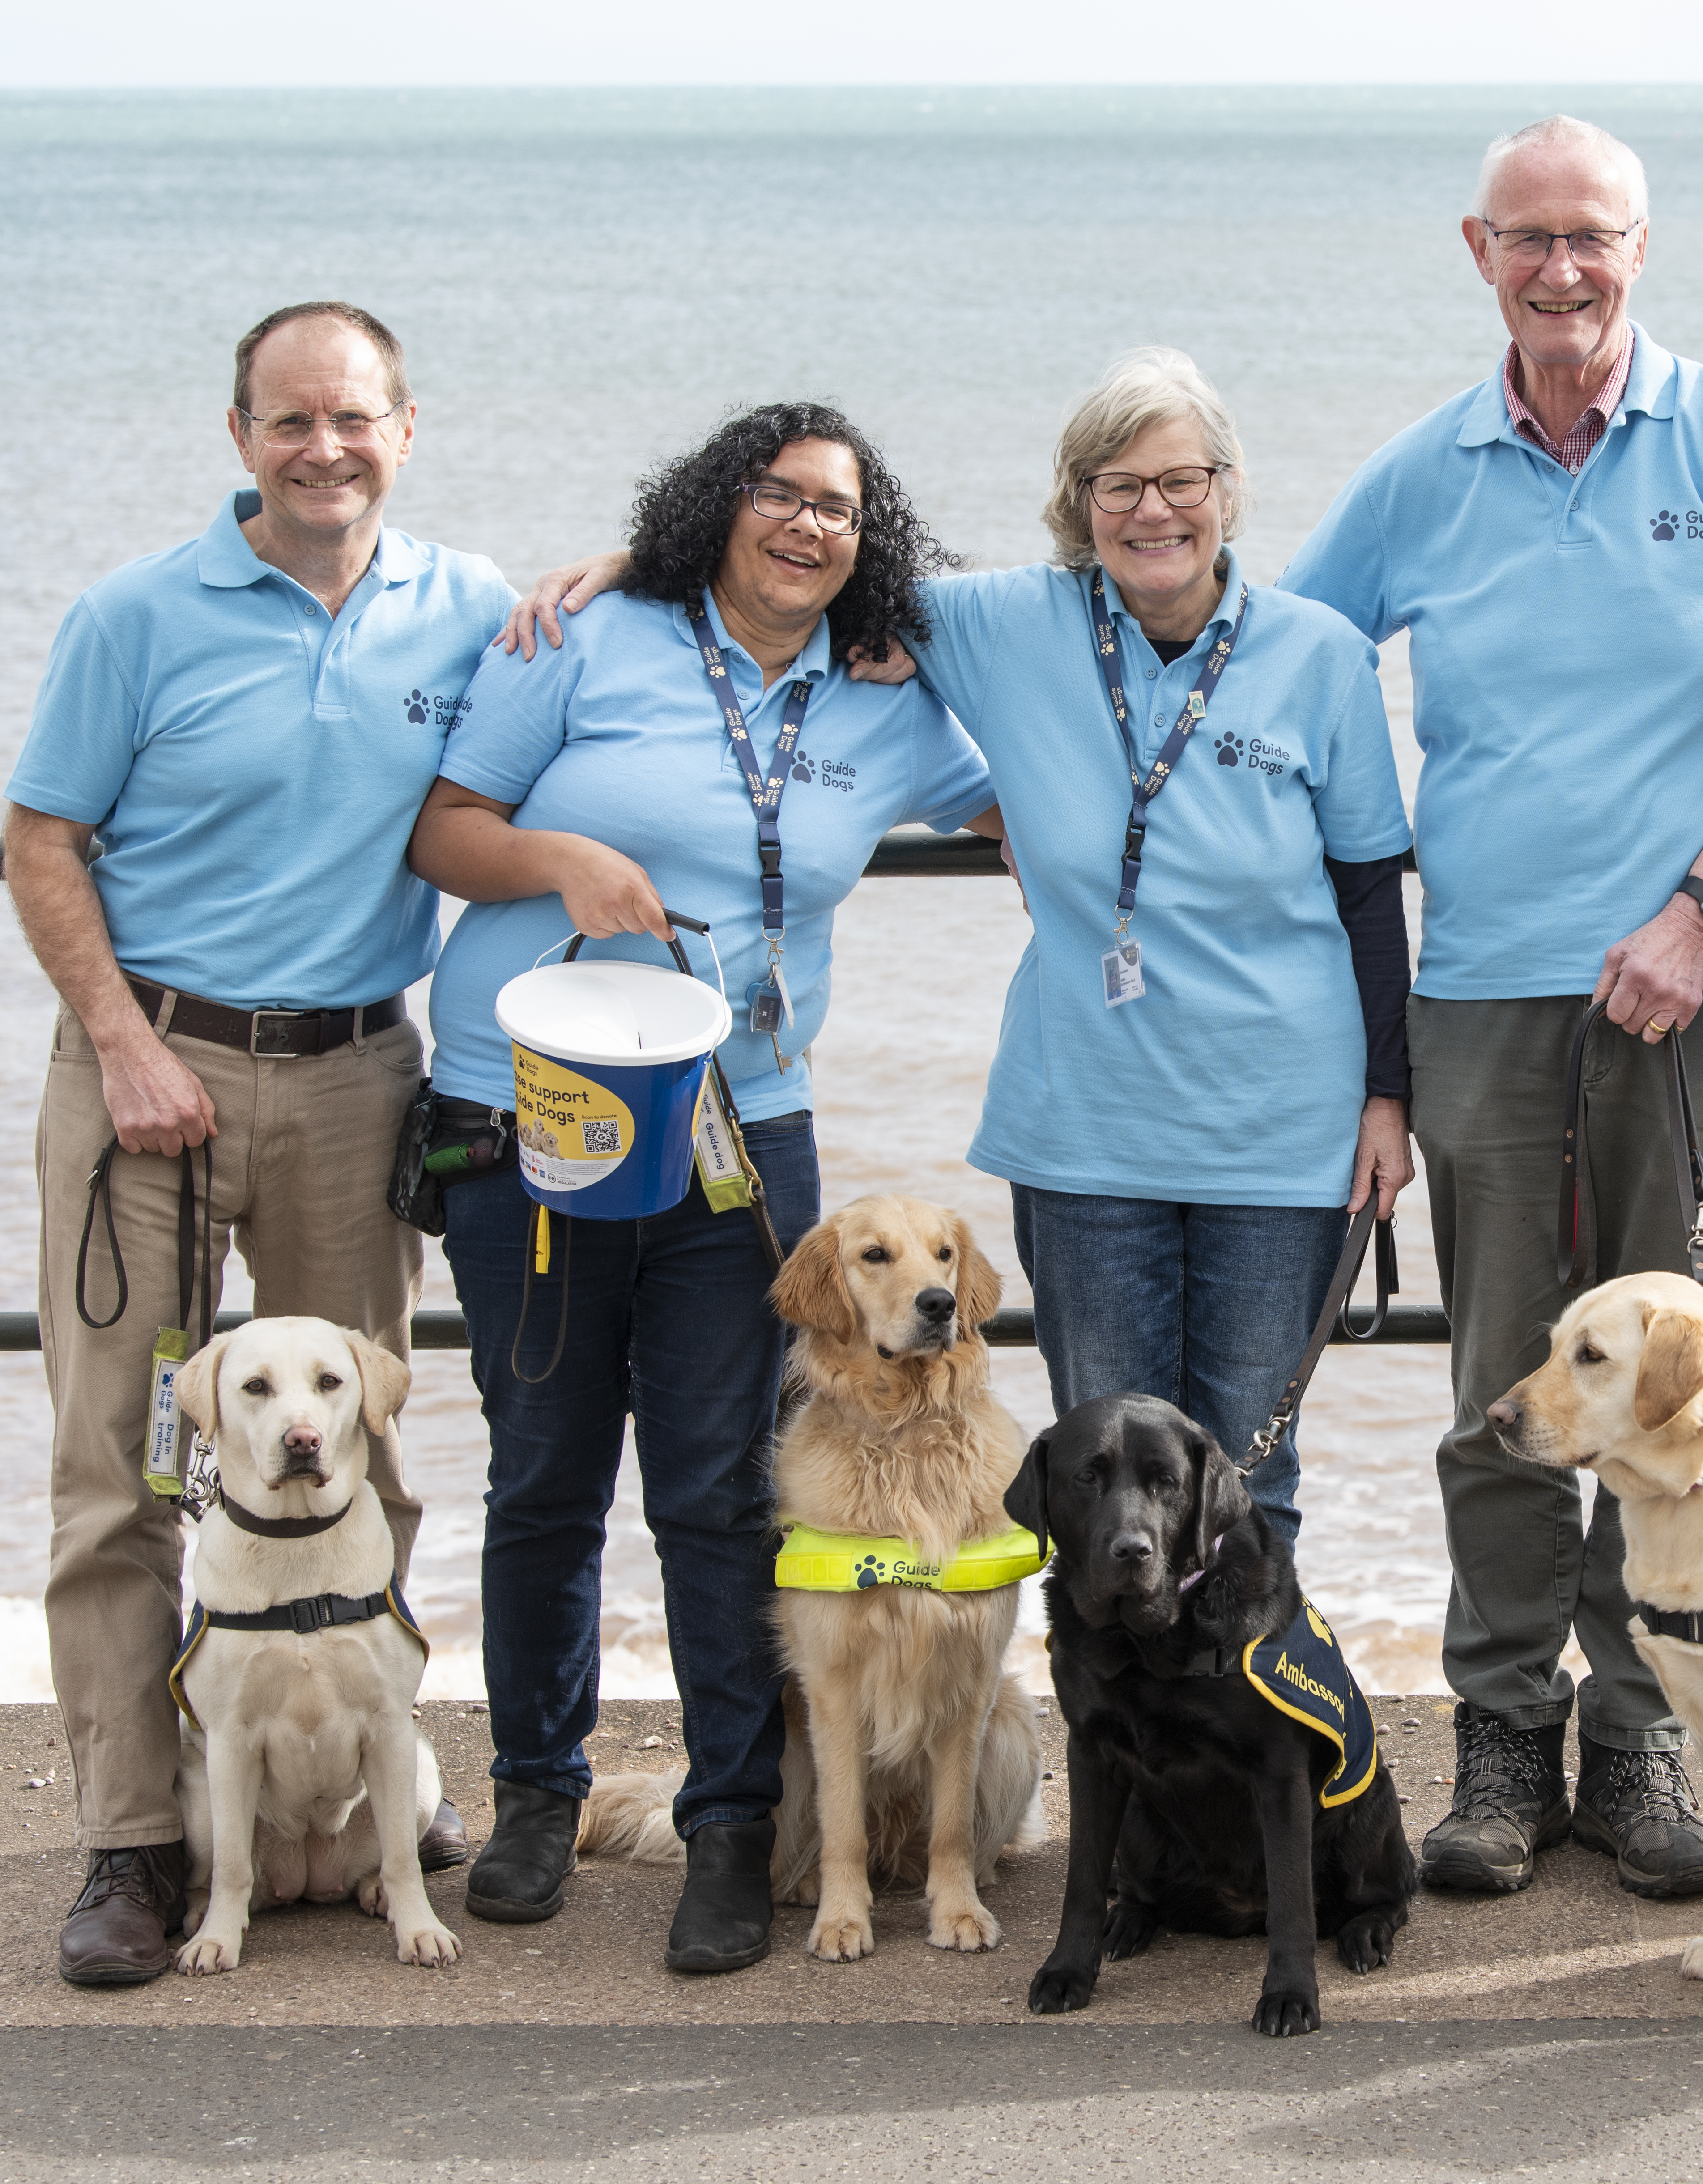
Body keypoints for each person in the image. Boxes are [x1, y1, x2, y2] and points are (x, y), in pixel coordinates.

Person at [503, 350, 1413, 1550]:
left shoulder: (1320, 655)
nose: (1152, 509)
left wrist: (1389, 1096)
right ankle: (1116, 1745)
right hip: (1086, 1131)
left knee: (1248, 1464)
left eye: (1180, 479)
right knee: (1103, 1463)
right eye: (1116, 482)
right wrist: (632, 561)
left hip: (1283, 1130)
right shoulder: (1006, 621)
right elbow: (808, 568)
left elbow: (1366, 896)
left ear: (1228, 491)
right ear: (1077, 502)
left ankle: (1253, 1728)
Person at [1278, 116, 1703, 1901]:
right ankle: (1507, 1736)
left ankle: (1646, 1733)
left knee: (1675, 1388)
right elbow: (1269, 660)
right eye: (1525, 239)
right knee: (1507, 1383)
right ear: (1475, 250)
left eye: (1588, 237)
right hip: (1486, 1000)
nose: (1558, 269)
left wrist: (1694, 911)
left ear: (1638, 248)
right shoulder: (1420, 473)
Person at [408, 404, 996, 1976]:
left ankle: (734, 1821)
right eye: (779, 497)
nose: (808, 528)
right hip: (538, 1108)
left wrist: (918, 650)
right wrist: (562, 865)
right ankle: (537, 1789)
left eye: (842, 514)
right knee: (540, 1470)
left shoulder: (885, 697)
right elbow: (442, 829)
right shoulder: (587, 636)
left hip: (749, 1129)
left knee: (720, 1483)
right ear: (712, 507)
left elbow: (1030, 782)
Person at [2, 301, 517, 1987]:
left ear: (406, 427)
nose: (324, 448)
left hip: (357, 1078)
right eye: (289, 422)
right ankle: (141, 1844)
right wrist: (127, 1045)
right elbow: (41, 841)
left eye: (353, 419)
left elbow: (599, 718)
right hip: (145, 1076)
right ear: (241, 436)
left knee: (354, 1435)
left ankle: (379, 1796)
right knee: (125, 1467)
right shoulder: (136, 615)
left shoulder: (477, 610)